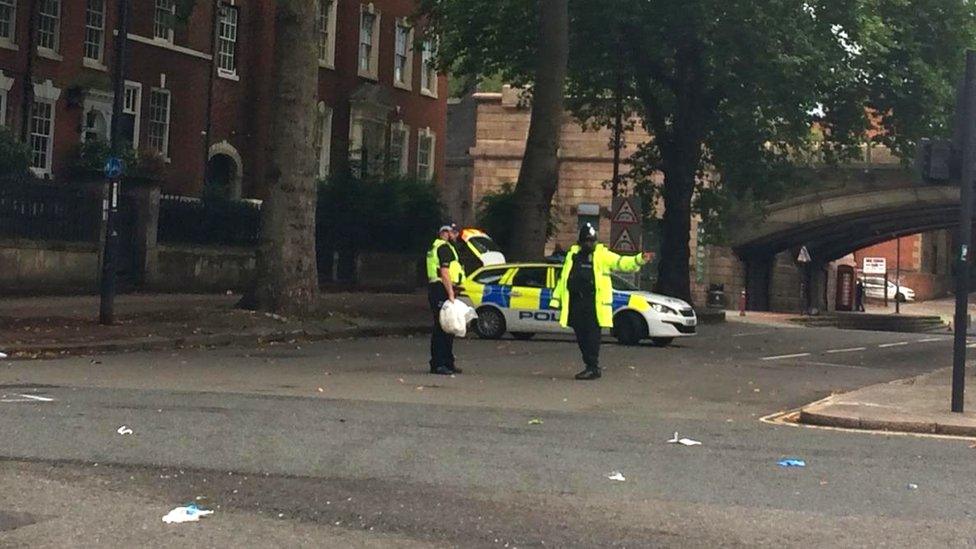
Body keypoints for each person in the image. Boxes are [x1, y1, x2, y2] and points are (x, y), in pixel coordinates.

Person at [551, 224, 653, 380]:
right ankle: (589, 365)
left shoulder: (602, 255)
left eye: (592, 241)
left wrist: (639, 259)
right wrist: (555, 300)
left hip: (593, 303)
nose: (589, 244)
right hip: (576, 302)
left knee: (592, 336)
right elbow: (563, 279)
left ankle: (592, 367)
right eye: (586, 241)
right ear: (580, 242)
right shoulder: (572, 256)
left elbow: (622, 262)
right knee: (581, 335)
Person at [426, 223, 465, 375]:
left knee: (448, 326)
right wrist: (450, 293)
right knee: (442, 327)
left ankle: (447, 362)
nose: (456, 236)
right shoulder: (443, 248)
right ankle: (438, 363)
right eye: (454, 232)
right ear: (446, 233)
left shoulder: (436, 247)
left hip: (440, 288)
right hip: (441, 289)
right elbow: (445, 272)